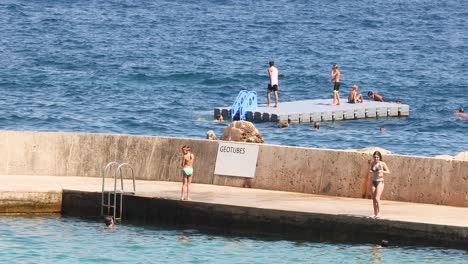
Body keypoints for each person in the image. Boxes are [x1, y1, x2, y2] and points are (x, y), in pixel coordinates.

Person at [368, 151, 390, 219]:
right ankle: (375, 214)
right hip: (374, 181)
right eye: (375, 157)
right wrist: (371, 171)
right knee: (374, 199)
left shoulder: (382, 163)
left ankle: (379, 213)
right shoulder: (372, 163)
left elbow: (388, 172)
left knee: (377, 198)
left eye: (377, 157)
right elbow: (370, 170)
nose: (376, 158)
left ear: (380, 157)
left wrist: (382, 171)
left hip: (380, 181)